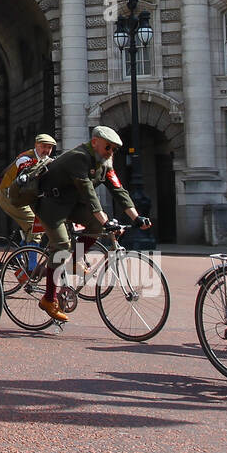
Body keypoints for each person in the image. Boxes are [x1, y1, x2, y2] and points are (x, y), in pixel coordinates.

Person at [19, 126, 148, 323]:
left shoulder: (106, 163)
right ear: (95, 142)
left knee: (97, 228)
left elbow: (118, 189)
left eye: (114, 149)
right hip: (50, 205)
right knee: (61, 246)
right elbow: (88, 192)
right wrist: (106, 220)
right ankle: (48, 299)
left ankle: (73, 260)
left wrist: (136, 217)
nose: (111, 152)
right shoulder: (78, 157)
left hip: (72, 205)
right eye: (108, 147)